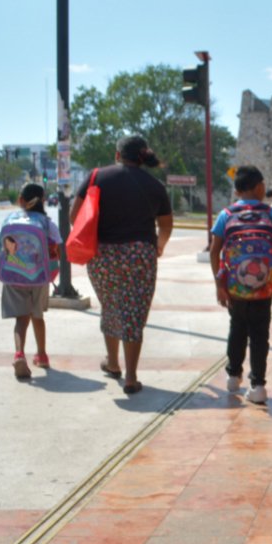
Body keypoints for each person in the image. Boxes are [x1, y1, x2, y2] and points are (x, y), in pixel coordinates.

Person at [71, 135, 173, 394]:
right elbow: (166, 223)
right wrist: (159, 245)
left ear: (117, 155)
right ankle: (131, 376)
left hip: (102, 256)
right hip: (140, 256)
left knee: (111, 305)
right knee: (134, 312)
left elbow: (75, 216)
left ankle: (113, 362)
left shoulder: (96, 177)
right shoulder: (155, 185)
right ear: (143, 156)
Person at [208, 165, 272, 405]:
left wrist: (219, 283)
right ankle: (258, 385)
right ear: (258, 187)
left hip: (236, 287)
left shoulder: (226, 214)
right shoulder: (271, 214)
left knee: (237, 328)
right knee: (260, 334)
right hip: (264, 287)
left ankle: (233, 376)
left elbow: (214, 251)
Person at [0, 183, 62, 379]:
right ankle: (42, 355)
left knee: (20, 319)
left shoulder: (10, 220)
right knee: (38, 316)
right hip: (38, 276)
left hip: (15, 275)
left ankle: (19, 354)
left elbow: (3, 247)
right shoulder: (46, 223)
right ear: (43, 200)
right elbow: (56, 249)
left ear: (20, 200)